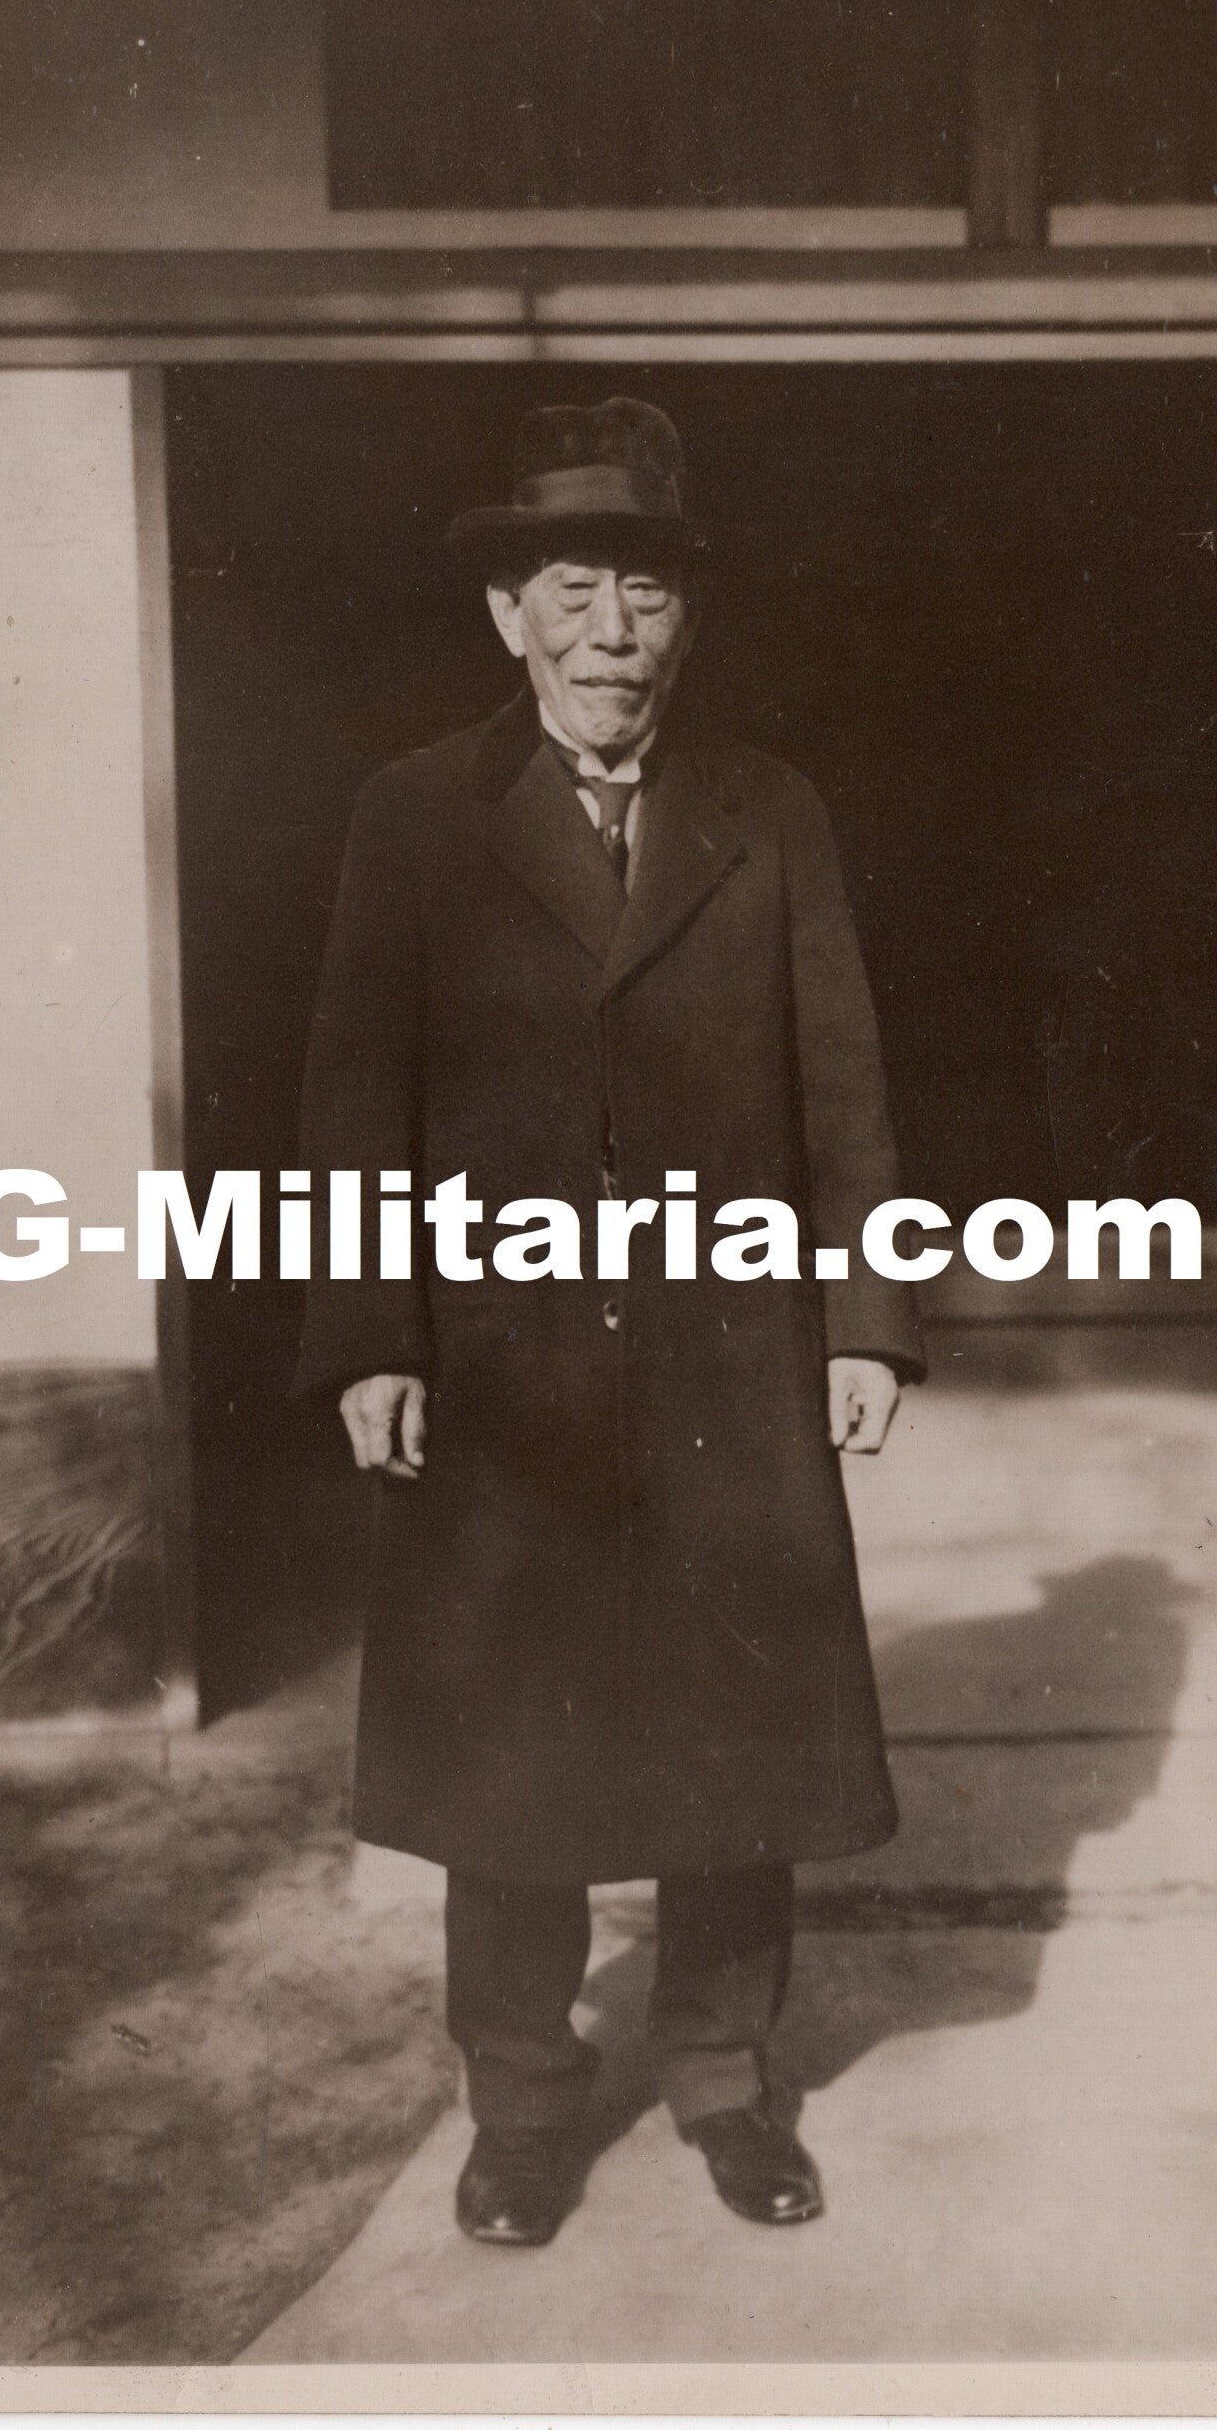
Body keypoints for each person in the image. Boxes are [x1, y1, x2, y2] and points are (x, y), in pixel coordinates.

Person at [295, 396, 922, 2246]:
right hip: (502, 1381)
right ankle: (524, 2104)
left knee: (738, 1747)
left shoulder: (771, 810)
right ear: (509, 615)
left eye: (643, 592)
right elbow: (352, 1100)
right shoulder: (412, 814)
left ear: (687, 619)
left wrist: (867, 1317)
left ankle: (730, 2084)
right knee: (514, 1765)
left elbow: (847, 1081)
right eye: (571, 589)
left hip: (730, 1364)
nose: (610, 633)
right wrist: (373, 1334)